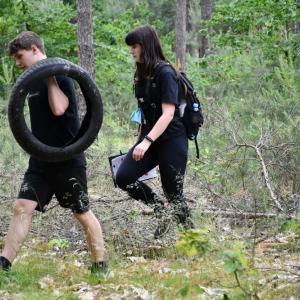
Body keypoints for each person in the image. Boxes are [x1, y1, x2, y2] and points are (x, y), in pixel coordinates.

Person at [0, 31, 109, 277]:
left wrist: (50, 75)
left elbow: (59, 109)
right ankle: (3, 266)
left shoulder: (61, 74)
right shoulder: (29, 82)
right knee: (21, 207)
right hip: (40, 158)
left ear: (34, 50)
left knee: (81, 211)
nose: (17, 63)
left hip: (66, 157)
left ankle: (100, 266)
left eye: (20, 56)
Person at [115, 25, 193, 239]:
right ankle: (161, 209)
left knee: (175, 194)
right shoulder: (141, 73)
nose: (131, 51)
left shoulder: (165, 72)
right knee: (123, 177)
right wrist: (140, 139)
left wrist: (146, 141)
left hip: (172, 140)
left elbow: (168, 114)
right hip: (149, 139)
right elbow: (144, 110)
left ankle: (194, 242)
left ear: (146, 46)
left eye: (134, 46)